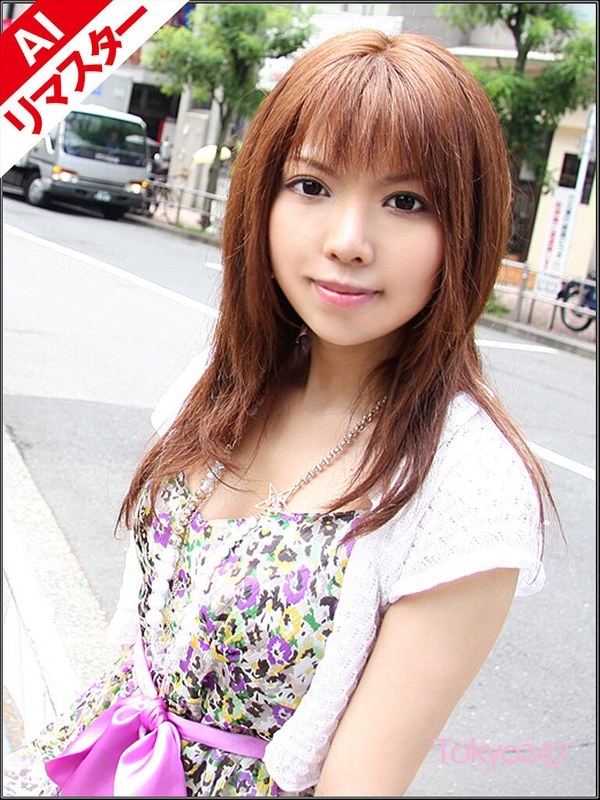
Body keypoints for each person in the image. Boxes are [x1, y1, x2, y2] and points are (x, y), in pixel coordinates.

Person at [3, 29, 557, 797]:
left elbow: (360, 783)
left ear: (467, 227)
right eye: (311, 185)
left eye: (406, 201)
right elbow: (146, 647)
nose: (348, 241)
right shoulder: (228, 377)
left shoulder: (469, 483)